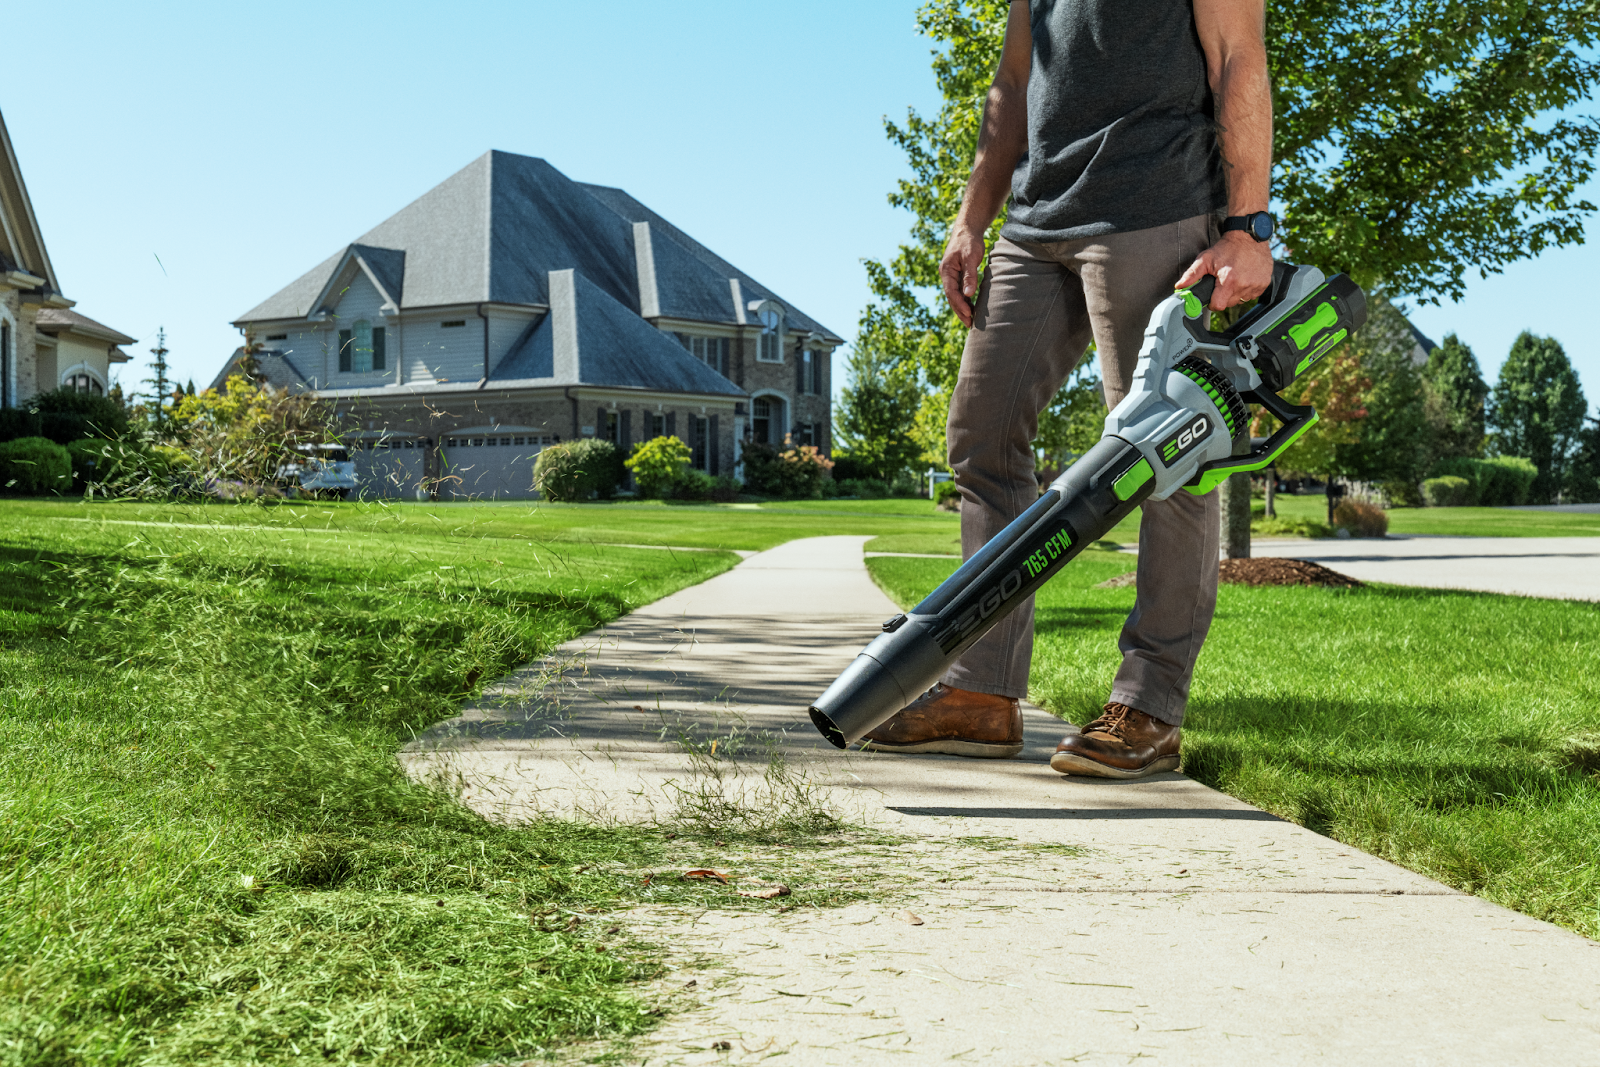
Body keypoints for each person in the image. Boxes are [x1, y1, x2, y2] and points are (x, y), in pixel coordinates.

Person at [862, 0, 1275, 778]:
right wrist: (970, 218)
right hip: (1035, 218)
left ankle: (1149, 705)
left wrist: (1247, 228)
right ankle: (982, 691)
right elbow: (1015, 81)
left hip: (1155, 206)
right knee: (980, 437)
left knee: (1164, 452)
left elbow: (1237, 59)